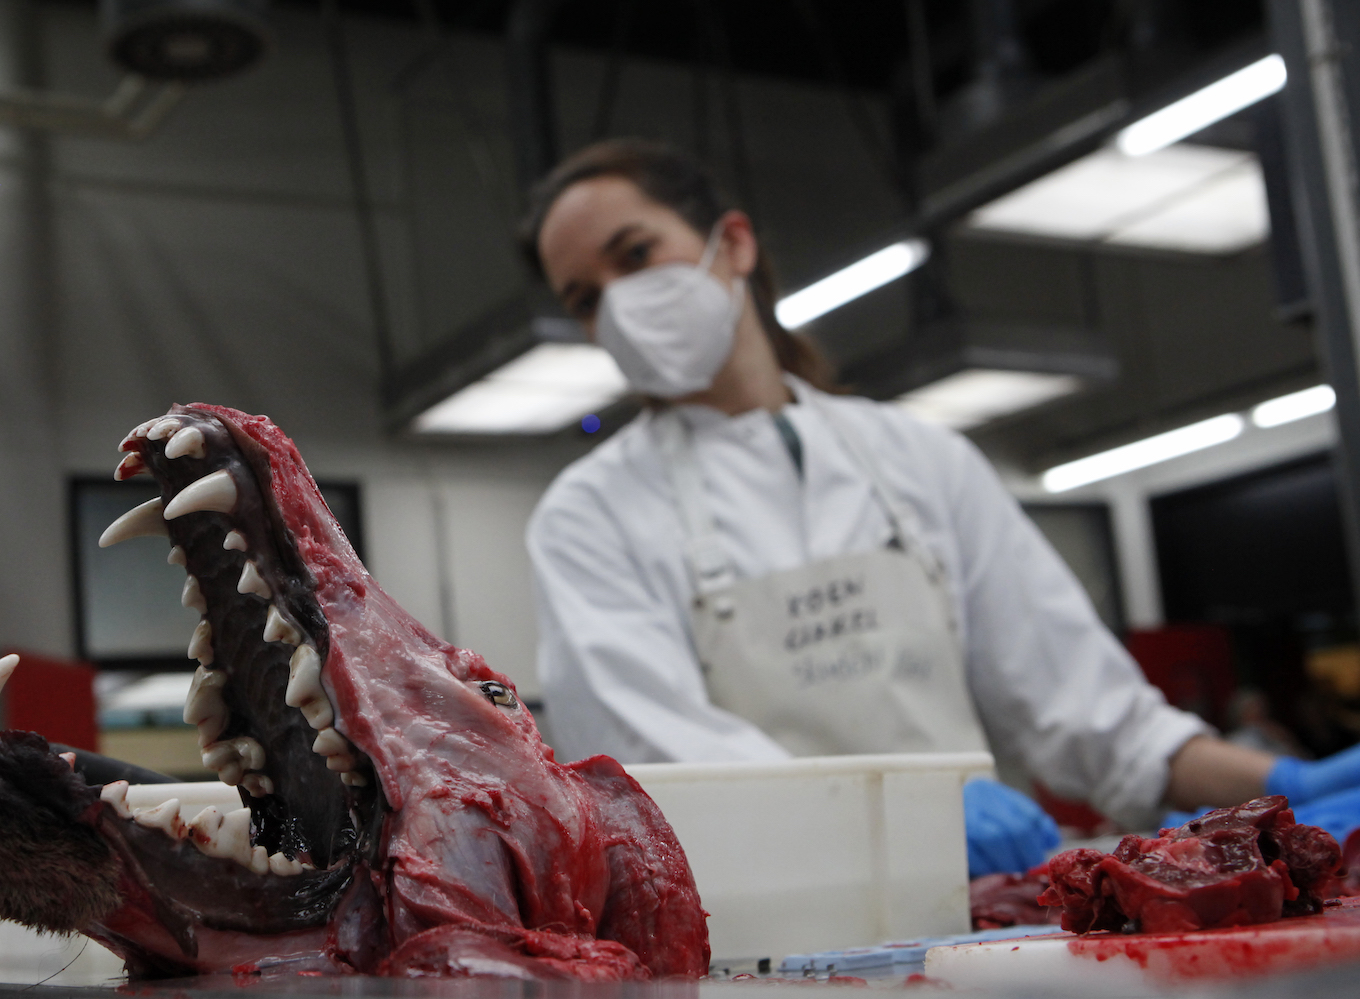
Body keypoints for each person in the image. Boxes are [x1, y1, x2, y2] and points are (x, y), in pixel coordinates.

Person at [519, 139, 1351, 875]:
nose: (619, 305)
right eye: (586, 298)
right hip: (766, 939)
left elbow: (1093, 719)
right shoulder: (590, 515)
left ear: (732, 244)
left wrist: (1281, 789)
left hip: (984, 918)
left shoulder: (920, 459)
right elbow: (658, 767)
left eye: (635, 255)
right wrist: (903, 816)